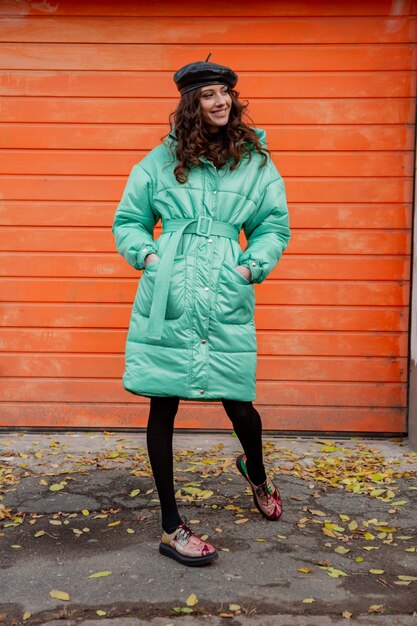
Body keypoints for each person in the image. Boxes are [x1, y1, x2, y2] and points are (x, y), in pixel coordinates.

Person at [112, 57, 291, 567]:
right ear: (191, 104)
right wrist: (149, 258)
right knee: (162, 403)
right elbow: (129, 220)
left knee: (238, 402)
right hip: (169, 290)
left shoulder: (254, 158)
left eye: (226, 93)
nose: (220, 101)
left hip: (225, 290)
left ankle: (255, 472)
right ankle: (171, 525)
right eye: (209, 94)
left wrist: (249, 268)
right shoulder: (160, 161)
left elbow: (272, 225)